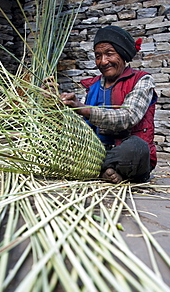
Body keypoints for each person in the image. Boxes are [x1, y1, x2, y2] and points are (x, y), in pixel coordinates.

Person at [60, 25, 158, 184]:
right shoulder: (93, 86)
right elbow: (82, 127)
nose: (103, 61)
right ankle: (107, 171)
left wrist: (83, 109)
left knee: (137, 148)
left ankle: (102, 170)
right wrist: (55, 103)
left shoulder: (142, 80)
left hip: (125, 155)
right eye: (98, 56)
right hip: (96, 153)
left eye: (109, 54)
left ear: (123, 54)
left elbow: (128, 117)